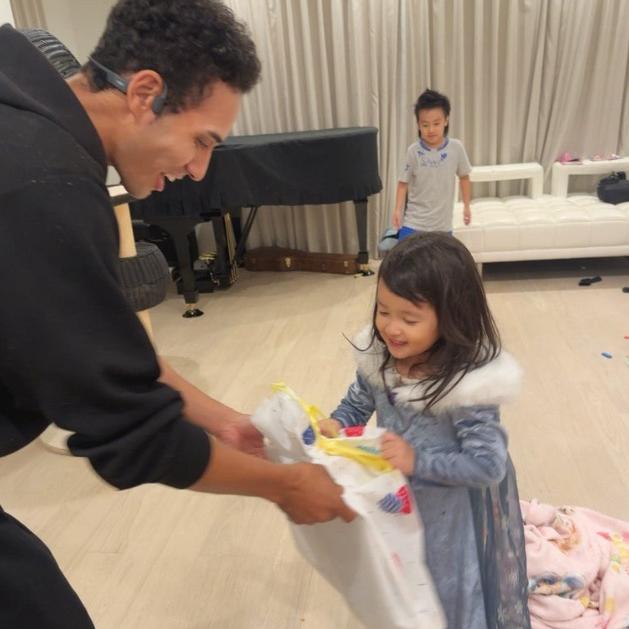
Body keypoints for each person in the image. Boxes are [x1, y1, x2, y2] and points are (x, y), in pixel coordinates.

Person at [0, 2, 354, 627]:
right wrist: (285, 486)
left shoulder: (24, 110)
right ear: (144, 93)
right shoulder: (43, 185)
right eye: (200, 141)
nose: (198, 169)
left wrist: (227, 424)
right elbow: (130, 432)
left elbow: (104, 348)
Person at [319, 232, 531, 629]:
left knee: (446, 595)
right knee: (398, 586)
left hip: (446, 519)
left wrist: (417, 461)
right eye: (383, 311)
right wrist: (338, 423)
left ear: (451, 317)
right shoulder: (380, 358)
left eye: (410, 319)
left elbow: (488, 466)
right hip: (393, 503)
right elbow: (356, 405)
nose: (391, 328)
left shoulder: (467, 385)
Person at [392, 89, 473, 239]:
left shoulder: (456, 148)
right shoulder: (413, 151)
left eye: (436, 123)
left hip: (442, 227)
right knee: (404, 253)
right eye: (425, 125)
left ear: (446, 121)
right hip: (413, 223)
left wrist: (467, 206)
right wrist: (397, 210)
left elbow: (464, 177)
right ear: (418, 125)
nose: (431, 130)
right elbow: (403, 183)